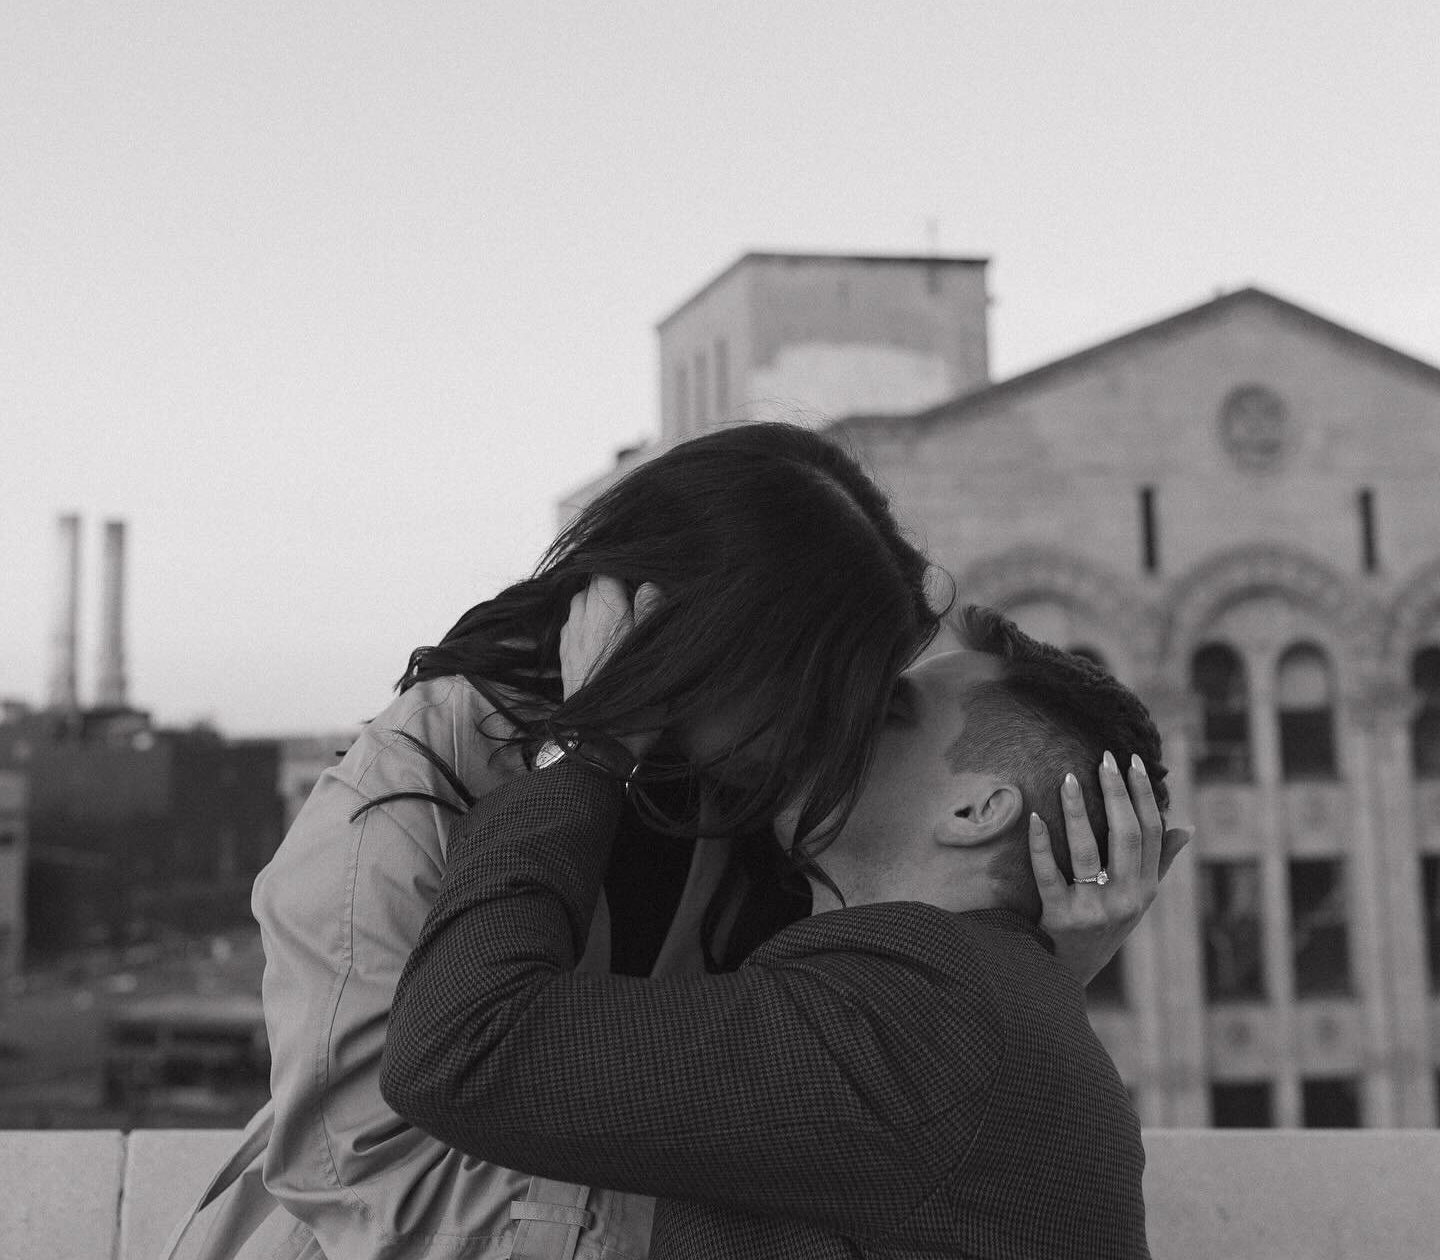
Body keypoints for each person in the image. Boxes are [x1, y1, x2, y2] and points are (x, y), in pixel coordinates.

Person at [163, 425, 1174, 1260]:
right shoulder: (410, 796)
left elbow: (865, 1075)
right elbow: (366, 1171)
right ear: (704, 649)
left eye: (877, 707)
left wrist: (1027, 944)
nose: (838, 730)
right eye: (823, 690)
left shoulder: (757, 822)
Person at [380, 595, 1181, 1260]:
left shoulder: (928, 1016)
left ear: (976, 811)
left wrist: (593, 741)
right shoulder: (967, 1014)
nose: (838, 714)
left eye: (891, 710)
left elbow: (464, 1047)